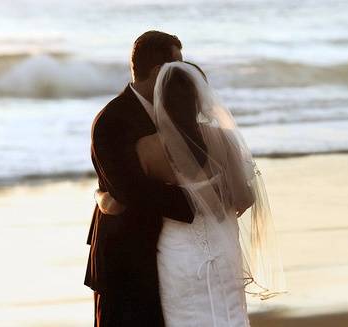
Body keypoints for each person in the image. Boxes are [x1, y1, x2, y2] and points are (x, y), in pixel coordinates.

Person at [96, 61, 287, 326]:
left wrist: (101, 197)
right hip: (224, 249)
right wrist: (216, 198)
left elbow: (130, 197)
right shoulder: (225, 140)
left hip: (179, 252)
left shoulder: (148, 149)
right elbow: (245, 199)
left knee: (185, 316)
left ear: (161, 99)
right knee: (229, 312)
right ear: (201, 98)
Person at [84, 31, 196, 327]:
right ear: (159, 72)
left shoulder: (175, 112)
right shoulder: (112, 120)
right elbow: (130, 190)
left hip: (168, 254)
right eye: (178, 66)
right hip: (125, 256)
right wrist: (199, 201)